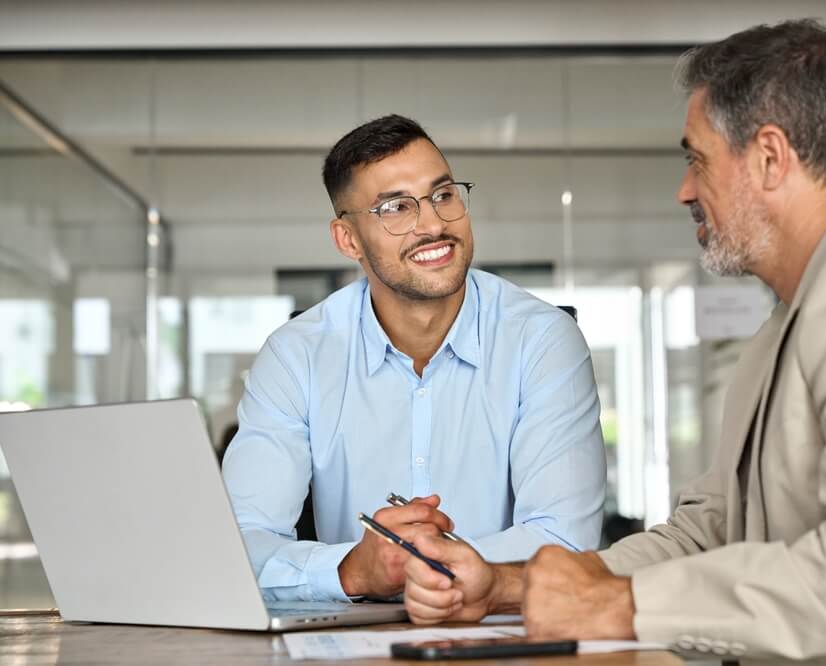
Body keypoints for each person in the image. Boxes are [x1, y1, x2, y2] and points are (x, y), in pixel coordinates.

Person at [402, 20, 826, 665]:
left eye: (697, 159)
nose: (684, 189)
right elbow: (716, 529)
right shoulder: (793, 320)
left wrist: (621, 607)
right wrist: (510, 586)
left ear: (769, 157)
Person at [222, 115, 606, 603]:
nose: (433, 224)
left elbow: (566, 541)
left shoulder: (542, 339)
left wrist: (422, 565)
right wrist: (350, 570)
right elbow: (242, 545)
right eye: (395, 208)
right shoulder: (297, 354)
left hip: (504, 640)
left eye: (443, 195)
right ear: (348, 239)